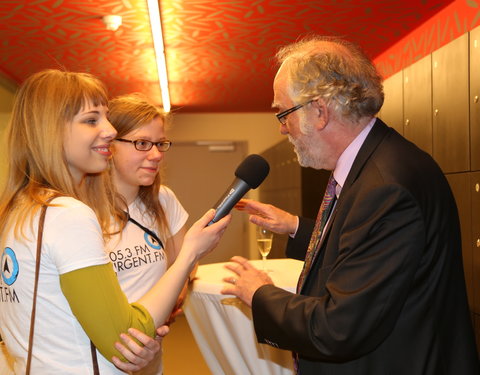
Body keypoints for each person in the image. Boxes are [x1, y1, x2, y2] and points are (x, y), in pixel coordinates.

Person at [221, 36, 480, 374]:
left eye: (283, 113)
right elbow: (358, 246)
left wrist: (259, 294)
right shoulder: (373, 164)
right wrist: (296, 226)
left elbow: (339, 328)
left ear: (319, 111)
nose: (283, 129)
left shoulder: (385, 187)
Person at [0, 69, 230, 374]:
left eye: (106, 118)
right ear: (51, 130)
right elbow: (125, 342)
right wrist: (190, 253)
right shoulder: (68, 214)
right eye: (92, 120)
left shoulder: (19, 209)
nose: (108, 130)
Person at [106, 93, 190, 374]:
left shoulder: (163, 200)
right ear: (108, 145)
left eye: (160, 144)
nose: (156, 155)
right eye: (142, 143)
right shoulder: (80, 214)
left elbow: (184, 266)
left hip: (150, 360)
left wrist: (172, 304)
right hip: (103, 358)